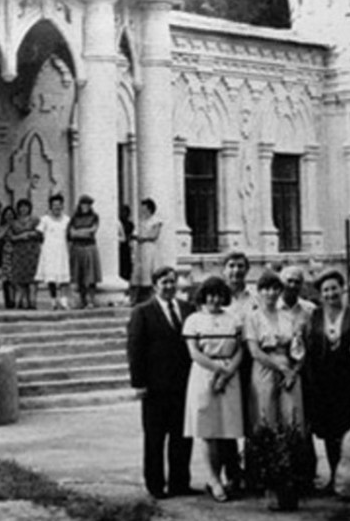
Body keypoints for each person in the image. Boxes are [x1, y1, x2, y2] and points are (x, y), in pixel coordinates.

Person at [126, 266, 195, 500]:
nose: (169, 286)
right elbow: (135, 349)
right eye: (164, 282)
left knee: (182, 436)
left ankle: (180, 483)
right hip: (155, 387)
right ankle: (155, 485)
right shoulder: (143, 312)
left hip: (183, 385)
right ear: (155, 285)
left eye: (172, 281)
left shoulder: (187, 309)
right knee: (155, 438)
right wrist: (139, 383)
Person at [183, 276, 244, 503]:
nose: (215, 299)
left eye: (219, 295)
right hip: (204, 374)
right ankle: (213, 479)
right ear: (203, 296)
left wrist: (226, 374)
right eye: (210, 295)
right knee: (206, 430)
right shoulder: (194, 320)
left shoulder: (233, 319)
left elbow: (240, 350)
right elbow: (194, 352)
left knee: (227, 429)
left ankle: (231, 478)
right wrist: (217, 370)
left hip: (230, 376)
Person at [304, 268, 350, 494]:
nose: (330, 294)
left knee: (348, 430)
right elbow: (309, 344)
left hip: (349, 380)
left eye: (334, 288)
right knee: (328, 432)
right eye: (325, 290)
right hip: (323, 381)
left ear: (342, 289)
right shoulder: (315, 315)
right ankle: (335, 476)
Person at [244, 270, 308, 431]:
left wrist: (293, 371)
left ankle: (291, 446)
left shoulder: (289, 317)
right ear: (259, 291)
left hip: (288, 369)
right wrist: (281, 368)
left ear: (280, 291)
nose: (271, 293)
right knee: (265, 416)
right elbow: (255, 351)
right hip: (264, 367)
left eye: (275, 288)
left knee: (292, 416)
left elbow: (299, 349)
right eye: (266, 289)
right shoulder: (253, 317)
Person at [278, 266, 318, 492]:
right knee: (280, 419)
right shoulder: (272, 307)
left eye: (297, 281)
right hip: (278, 369)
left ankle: (305, 474)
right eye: (289, 280)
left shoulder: (309, 309)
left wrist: (298, 368)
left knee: (303, 421)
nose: (292, 285)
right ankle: (280, 472)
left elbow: (312, 343)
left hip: (304, 370)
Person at [221, 252, 256, 492]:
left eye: (240, 266)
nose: (236, 271)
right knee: (228, 419)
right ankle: (232, 473)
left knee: (253, 416)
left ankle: (254, 472)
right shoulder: (217, 297)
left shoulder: (255, 297)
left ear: (247, 270)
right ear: (224, 269)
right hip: (226, 362)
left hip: (253, 361)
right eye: (231, 266)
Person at [35, 193, 71, 310]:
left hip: (62, 250)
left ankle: (64, 300)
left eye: (59, 205)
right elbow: (39, 234)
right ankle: (53, 300)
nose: (57, 207)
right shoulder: (45, 219)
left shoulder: (67, 220)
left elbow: (69, 235)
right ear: (50, 206)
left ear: (62, 206)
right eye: (54, 205)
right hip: (49, 251)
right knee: (51, 278)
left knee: (64, 277)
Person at [68, 195, 102, 308]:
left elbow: (93, 231)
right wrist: (84, 232)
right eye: (83, 204)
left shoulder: (94, 217)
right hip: (77, 247)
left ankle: (91, 300)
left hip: (89, 247)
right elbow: (71, 233)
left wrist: (79, 232)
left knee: (91, 276)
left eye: (88, 204)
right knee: (79, 276)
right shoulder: (74, 218)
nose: (85, 206)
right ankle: (82, 300)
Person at [9, 198, 41, 310]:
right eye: (21, 207)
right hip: (19, 252)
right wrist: (20, 237)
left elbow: (41, 234)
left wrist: (31, 234)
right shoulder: (14, 222)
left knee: (32, 278)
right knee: (20, 278)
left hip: (32, 251)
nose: (23, 209)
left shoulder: (35, 220)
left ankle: (33, 301)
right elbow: (10, 237)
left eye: (26, 207)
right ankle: (22, 301)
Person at [131, 198, 163, 304]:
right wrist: (137, 237)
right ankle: (136, 298)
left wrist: (143, 238)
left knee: (150, 270)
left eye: (144, 208)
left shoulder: (156, 221)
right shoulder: (141, 221)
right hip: (141, 249)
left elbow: (154, 235)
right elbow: (135, 234)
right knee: (138, 272)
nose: (142, 210)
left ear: (149, 209)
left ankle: (153, 298)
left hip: (149, 248)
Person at [0, 205, 17, 309]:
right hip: (6, 253)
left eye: (11, 214)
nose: (9, 216)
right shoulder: (3, 226)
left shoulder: (17, 225)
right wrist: (7, 226)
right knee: (6, 278)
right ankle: (8, 300)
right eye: (7, 214)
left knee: (15, 277)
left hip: (17, 252)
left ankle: (16, 299)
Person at [119, 204, 135, 283]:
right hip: (120, 246)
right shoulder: (118, 223)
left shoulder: (130, 224)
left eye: (125, 212)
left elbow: (129, 235)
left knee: (126, 265)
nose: (124, 214)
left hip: (125, 246)